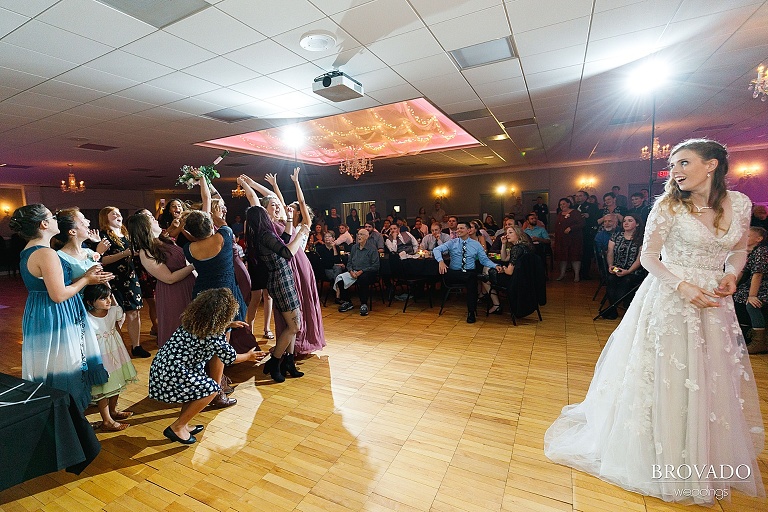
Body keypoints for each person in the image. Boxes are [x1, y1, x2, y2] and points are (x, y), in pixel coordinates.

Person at [544, 139, 764, 505]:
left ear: (711, 166)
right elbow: (649, 257)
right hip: (670, 296)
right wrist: (680, 285)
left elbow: (739, 249)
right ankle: (656, 447)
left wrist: (732, 274)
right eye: (673, 164)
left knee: (708, 372)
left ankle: (701, 448)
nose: (674, 171)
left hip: (713, 299)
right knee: (667, 371)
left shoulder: (739, 204)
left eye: (683, 163)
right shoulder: (667, 206)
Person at [11, 204, 113, 412]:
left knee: (50, 365)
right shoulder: (46, 253)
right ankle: (69, 422)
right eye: (52, 217)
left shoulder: (29, 250)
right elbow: (58, 295)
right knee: (65, 366)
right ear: (44, 224)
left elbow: (51, 284)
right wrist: (85, 279)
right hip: (55, 314)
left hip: (40, 311)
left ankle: (63, 420)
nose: (57, 219)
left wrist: (88, 278)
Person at [149, 288, 266, 444]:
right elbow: (231, 357)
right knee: (211, 389)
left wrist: (228, 324)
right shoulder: (213, 335)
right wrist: (249, 356)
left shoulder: (194, 322)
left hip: (163, 368)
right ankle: (177, 427)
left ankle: (183, 424)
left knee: (195, 390)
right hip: (173, 374)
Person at [245, 202, 310, 382]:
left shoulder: (262, 235)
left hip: (282, 279)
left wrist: (290, 219)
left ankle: (288, 362)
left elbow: (285, 238)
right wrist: (302, 234)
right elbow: (288, 252)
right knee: (294, 326)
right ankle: (274, 362)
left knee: (293, 325)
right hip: (281, 281)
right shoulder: (265, 235)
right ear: (263, 218)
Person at [126, 211, 195, 348]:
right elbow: (169, 278)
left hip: (189, 286)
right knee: (180, 329)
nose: (155, 219)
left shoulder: (164, 240)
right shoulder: (146, 252)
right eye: (151, 218)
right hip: (174, 294)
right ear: (144, 227)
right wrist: (195, 265)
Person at [83, 284, 138, 432]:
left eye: (108, 297)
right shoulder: (86, 318)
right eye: (102, 298)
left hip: (115, 351)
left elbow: (117, 328)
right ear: (90, 302)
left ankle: (113, 411)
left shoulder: (113, 311)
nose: (108, 301)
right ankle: (106, 420)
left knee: (117, 380)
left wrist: (125, 348)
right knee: (103, 386)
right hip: (99, 355)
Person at [99, 207, 147, 357]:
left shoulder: (127, 234)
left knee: (134, 312)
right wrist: (124, 253)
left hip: (130, 276)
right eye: (114, 213)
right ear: (105, 218)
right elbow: (102, 259)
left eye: (119, 213)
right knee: (116, 314)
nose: (118, 215)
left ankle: (136, 346)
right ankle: (116, 349)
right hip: (113, 278)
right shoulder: (103, 235)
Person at [434, 222, 501, 323]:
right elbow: (436, 250)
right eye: (457, 228)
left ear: (468, 230)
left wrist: (495, 265)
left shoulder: (476, 245)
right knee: (470, 277)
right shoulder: (453, 242)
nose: (458, 230)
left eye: (461, 228)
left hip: (469, 272)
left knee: (471, 278)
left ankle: (471, 312)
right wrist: (441, 261)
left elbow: (484, 260)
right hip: (455, 273)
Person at [601, 214, 645, 319]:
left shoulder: (642, 239)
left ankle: (611, 309)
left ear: (637, 224)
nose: (626, 223)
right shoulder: (616, 236)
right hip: (617, 267)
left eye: (630, 221)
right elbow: (610, 252)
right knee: (611, 278)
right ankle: (613, 309)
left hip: (634, 270)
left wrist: (628, 271)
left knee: (626, 280)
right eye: (624, 220)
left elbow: (639, 259)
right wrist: (611, 265)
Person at [734, 226, 767, 354]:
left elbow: (758, 274)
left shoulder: (762, 252)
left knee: (752, 304)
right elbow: (742, 271)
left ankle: (759, 341)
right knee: (736, 296)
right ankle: (743, 333)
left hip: (762, 286)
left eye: (748, 236)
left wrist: (752, 295)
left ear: (759, 239)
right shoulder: (749, 252)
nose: (745, 237)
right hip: (751, 285)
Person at [487, 225, 533, 314]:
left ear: (518, 234)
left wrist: (504, 269)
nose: (507, 235)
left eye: (510, 232)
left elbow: (509, 272)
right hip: (526, 280)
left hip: (515, 281)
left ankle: (496, 304)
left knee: (487, 275)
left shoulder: (516, 249)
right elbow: (504, 259)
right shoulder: (524, 246)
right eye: (507, 233)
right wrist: (503, 244)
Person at [336, 229, 380, 316]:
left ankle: (364, 304)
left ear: (367, 237)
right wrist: (351, 271)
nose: (359, 236)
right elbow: (349, 263)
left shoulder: (372, 248)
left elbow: (375, 266)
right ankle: (347, 301)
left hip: (367, 272)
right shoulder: (354, 247)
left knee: (363, 278)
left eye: (361, 234)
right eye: (358, 234)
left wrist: (362, 271)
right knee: (340, 279)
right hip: (354, 271)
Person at [554, 197, 584, 282]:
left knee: (575, 256)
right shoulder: (560, 214)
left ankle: (576, 275)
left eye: (563, 204)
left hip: (574, 239)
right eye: (560, 204)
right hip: (562, 239)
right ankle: (562, 274)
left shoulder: (575, 212)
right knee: (562, 257)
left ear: (569, 203)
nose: (562, 206)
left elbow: (582, 223)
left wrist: (571, 228)